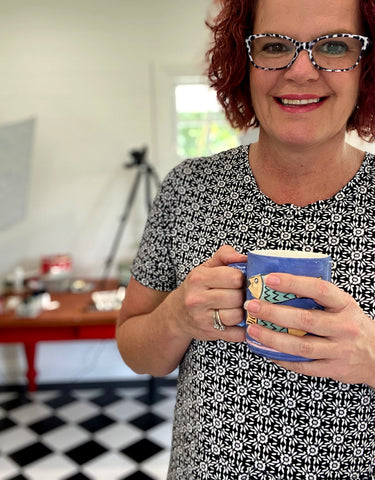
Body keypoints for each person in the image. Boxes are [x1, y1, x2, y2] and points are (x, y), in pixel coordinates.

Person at [116, 0, 375, 478]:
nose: (300, 71)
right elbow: (135, 349)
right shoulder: (188, 189)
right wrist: (175, 316)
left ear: (368, 67)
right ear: (242, 62)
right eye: (274, 46)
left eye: (335, 45)